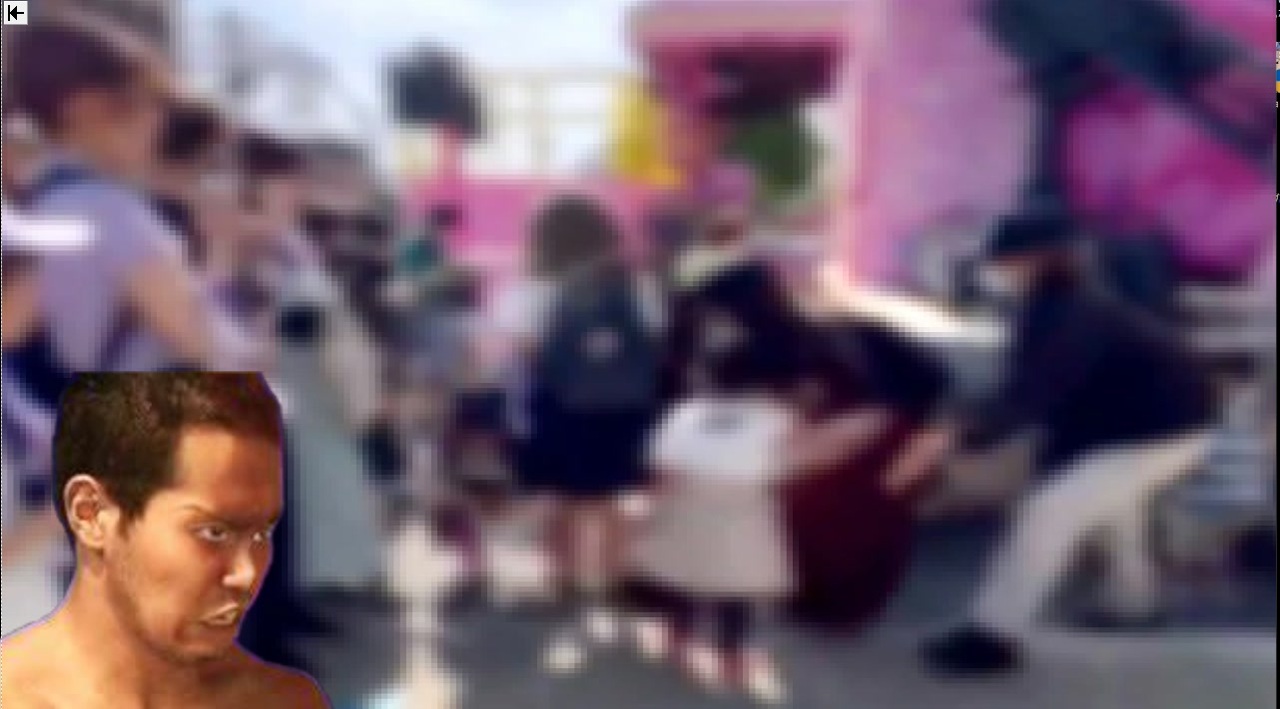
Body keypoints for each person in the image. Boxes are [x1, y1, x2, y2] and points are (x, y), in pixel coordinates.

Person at [923, 206, 1219, 676]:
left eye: (1004, 260)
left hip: (1158, 433)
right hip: (1144, 428)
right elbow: (1048, 396)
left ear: (1037, 260)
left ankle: (991, 635)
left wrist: (960, 435)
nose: (996, 270)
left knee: (1049, 513)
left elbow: (1031, 396)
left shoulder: (1068, 313)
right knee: (1112, 508)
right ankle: (1134, 604)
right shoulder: (1060, 304)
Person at [628, 264, 890, 703]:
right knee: (736, 593)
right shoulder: (777, 414)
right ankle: (733, 657)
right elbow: (799, 452)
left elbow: (662, 469)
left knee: (684, 579)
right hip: (745, 513)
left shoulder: (685, 412)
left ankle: (679, 641)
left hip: (688, 505)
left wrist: (652, 508)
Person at [0, 372, 328, 708]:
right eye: (213, 533)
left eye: (261, 533)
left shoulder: (286, 700)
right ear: (91, 514)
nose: (247, 574)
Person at [8, 21, 253, 410]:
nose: (160, 121)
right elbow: (208, 345)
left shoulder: (33, 202)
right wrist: (223, 255)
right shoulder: (109, 212)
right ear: (87, 108)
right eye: (152, 101)